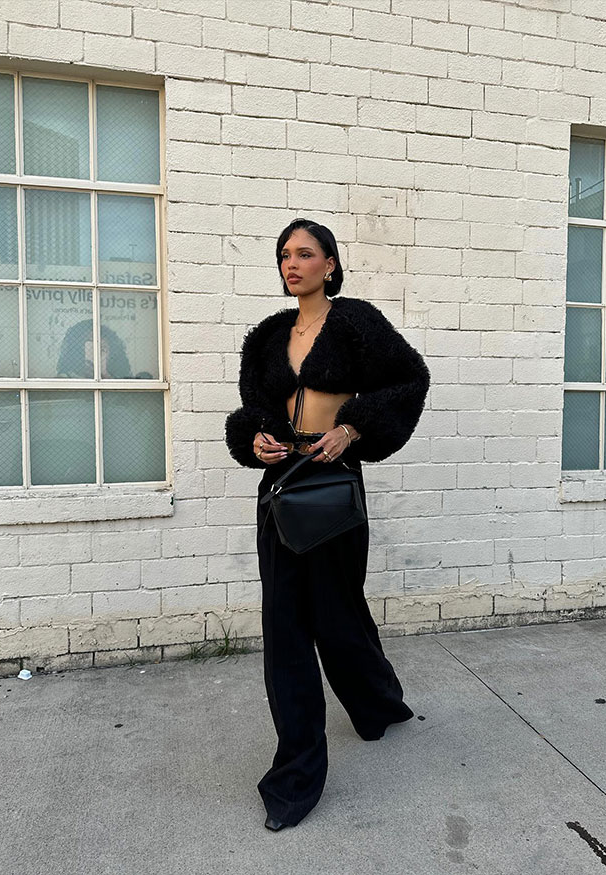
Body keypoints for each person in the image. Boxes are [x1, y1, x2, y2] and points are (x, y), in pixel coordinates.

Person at [225, 218, 430, 831]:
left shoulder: (356, 321)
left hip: (334, 484)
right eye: (284, 254)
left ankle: (376, 702)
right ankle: (296, 777)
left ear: (330, 265)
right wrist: (252, 437)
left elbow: (409, 379)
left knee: (338, 614)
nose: (293, 264)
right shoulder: (266, 337)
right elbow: (252, 407)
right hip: (282, 486)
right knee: (285, 627)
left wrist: (355, 426)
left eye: (306, 254)